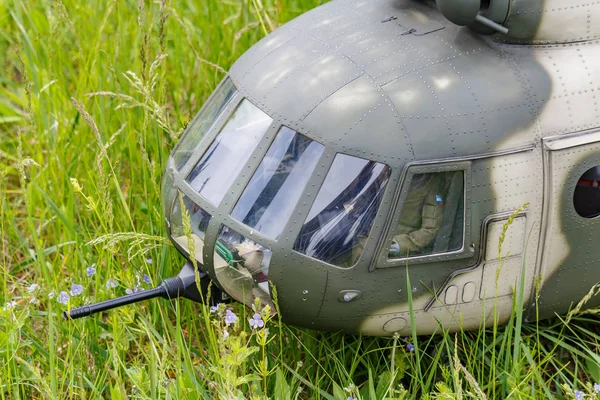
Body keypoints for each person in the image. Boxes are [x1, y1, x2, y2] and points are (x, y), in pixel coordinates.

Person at [389, 173, 445, 257]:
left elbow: (430, 230)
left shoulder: (432, 186)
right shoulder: (387, 176)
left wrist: (401, 244)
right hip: (374, 234)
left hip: (397, 244)